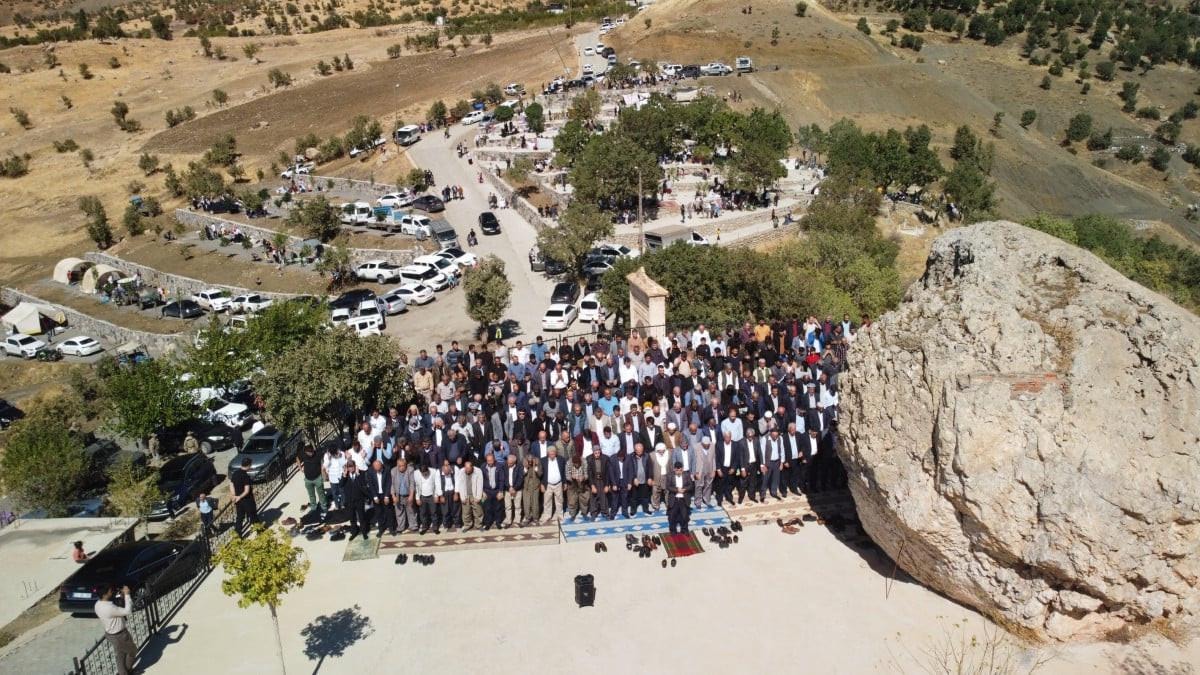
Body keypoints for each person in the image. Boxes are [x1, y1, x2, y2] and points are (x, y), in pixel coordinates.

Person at [95, 584, 136, 675]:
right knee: (132, 651)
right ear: (104, 595)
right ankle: (127, 671)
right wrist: (127, 594)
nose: (112, 592)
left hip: (110, 634)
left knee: (120, 655)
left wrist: (121, 598)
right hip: (120, 635)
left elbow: (115, 608)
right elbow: (127, 611)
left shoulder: (97, 604)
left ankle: (122, 672)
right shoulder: (109, 608)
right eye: (110, 591)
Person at [298, 445, 327, 520]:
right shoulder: (303, 454)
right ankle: (313, 508)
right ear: (305, 452)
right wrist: (300, 468)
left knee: (321, 494)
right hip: (308, 480)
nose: (311, 453)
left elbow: (323, 463)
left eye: (311, 451)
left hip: (318, 478)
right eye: (309, 452)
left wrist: (324, 475)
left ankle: (324, 508)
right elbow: (297, 458)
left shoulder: (318, 454)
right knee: (311, 495)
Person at [230, 457, 257, 535]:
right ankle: (260, 530)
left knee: (240, 517)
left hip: (238, 501)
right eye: (250, 465)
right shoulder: (245, 476)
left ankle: (237, 535)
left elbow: (231, 484)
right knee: (253, 515)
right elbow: (246, 491)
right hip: (247, 500)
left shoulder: (235, 473)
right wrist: (240, 497)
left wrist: (234, 495)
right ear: (248, 465)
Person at [344, 461, 371, 540]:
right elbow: (341, 484)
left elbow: (363, 485)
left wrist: (358, 474)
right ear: (347, 468)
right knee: (352, 518)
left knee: (361, 517)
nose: (351, 468)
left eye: (352, 466)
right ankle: (354, 532)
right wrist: (344, 475)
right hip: (350, 501)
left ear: (355, 466)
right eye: (349, 467)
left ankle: (364, 532)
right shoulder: (345, 475)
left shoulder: (360, 474)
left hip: (359, 500)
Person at [666, 462, 694, 534]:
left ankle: (684, 529)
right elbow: (668, 486)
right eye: (677, 470)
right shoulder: (670, 475)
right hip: (674, 498)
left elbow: (691, 486)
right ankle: (673, 530)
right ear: (674, 469)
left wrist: (685, 489)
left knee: (684, 516)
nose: (678, 472)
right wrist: (677, 490)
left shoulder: (686, 475)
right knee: (672, 516)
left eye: (680, 470)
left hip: (683, 499)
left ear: (682, 469)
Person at [456, 458, 485, 532]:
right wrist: (462, 497)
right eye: (466, 468)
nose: (467, 470)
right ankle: (467, 525)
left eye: (469, 469)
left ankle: (479, 525)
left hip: (475, 494)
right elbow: (460, 485)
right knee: (466, 512)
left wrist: (478, 497)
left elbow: (480, 484)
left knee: (478, 511)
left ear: (472, 467)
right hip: (466, 494)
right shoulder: (461, 472)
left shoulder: (478, 471)